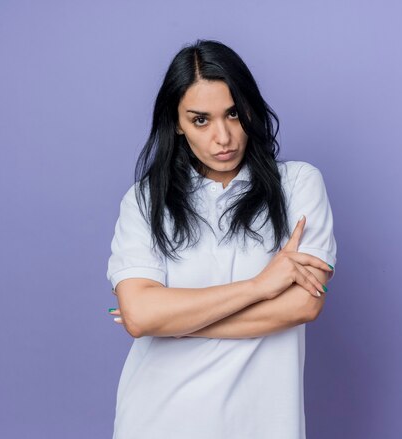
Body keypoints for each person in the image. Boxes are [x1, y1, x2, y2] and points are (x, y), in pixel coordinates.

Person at [106, 39, 337, 439]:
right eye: (201, 120)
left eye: (233, 113)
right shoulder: (145, 201)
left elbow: (303, 305)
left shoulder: (299, 184)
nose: (223, 136)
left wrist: (173, 322)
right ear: (177, 123)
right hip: (156, 418)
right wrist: (260, 286)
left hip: (264, 425)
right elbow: (142, 315)